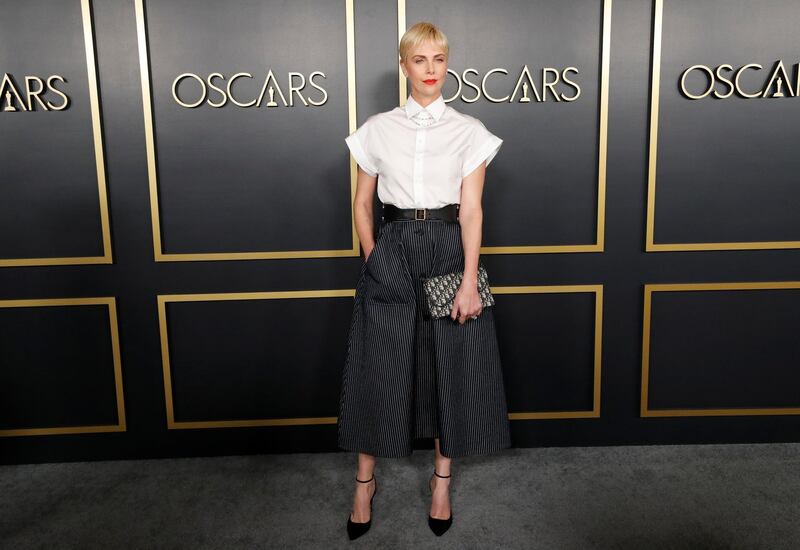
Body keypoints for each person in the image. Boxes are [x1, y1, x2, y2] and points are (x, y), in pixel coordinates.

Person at [338, 21, 512, 540]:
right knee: (378, 367)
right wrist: (373, 257)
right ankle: (364, 484)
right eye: (420, 60)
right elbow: (362, 202)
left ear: (447, 64)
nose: (430, 70)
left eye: (439, 59)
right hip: (391, 247)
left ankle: (441, 483)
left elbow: (473, 211)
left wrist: (467, 281)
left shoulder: (470, 131)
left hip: (446, 249)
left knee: (449, 369)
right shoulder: (376, 129)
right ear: (404, 66)